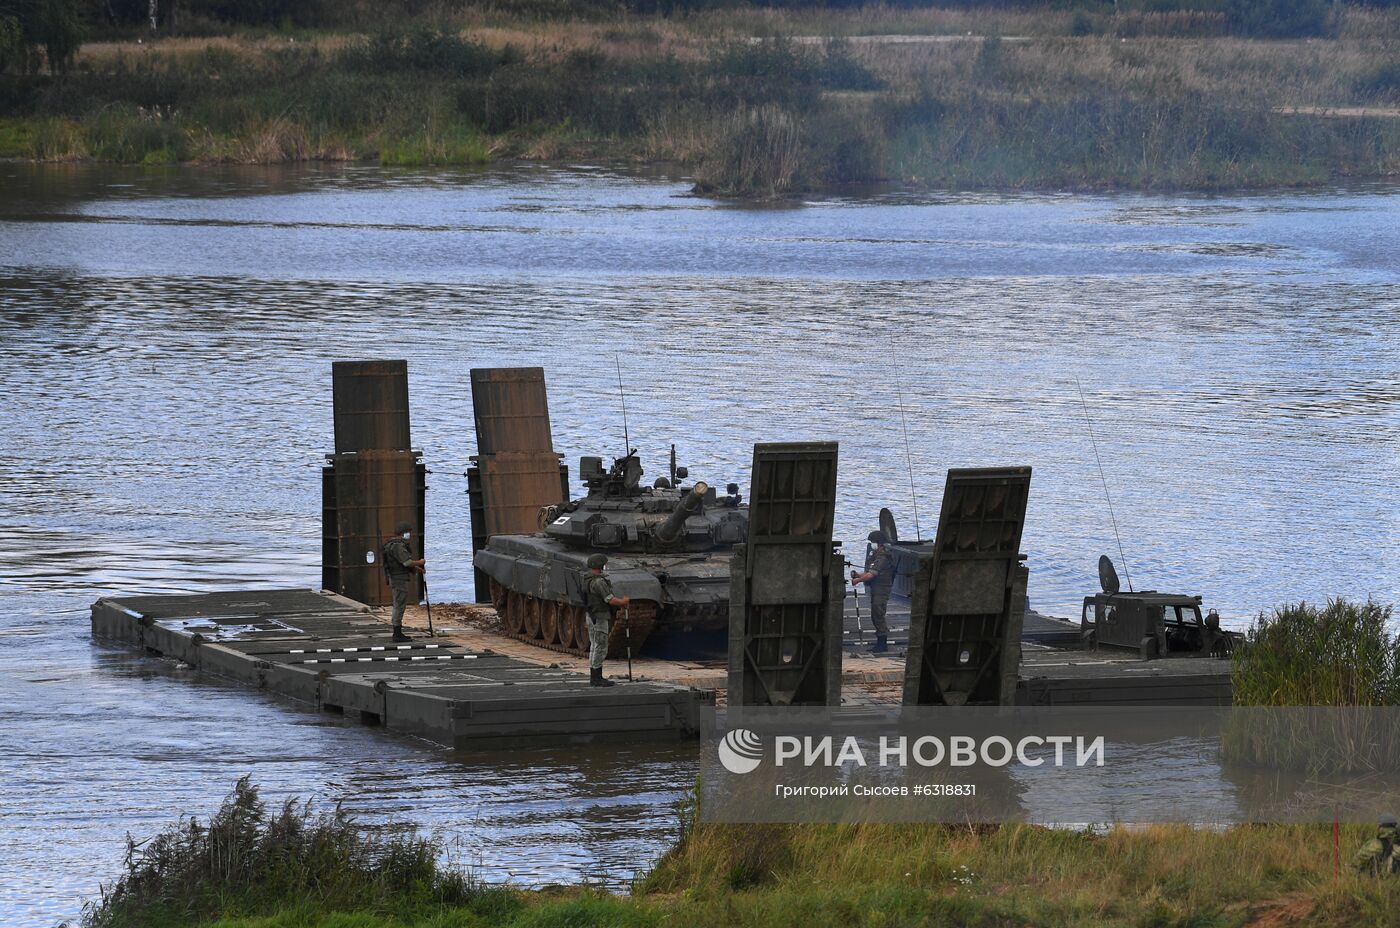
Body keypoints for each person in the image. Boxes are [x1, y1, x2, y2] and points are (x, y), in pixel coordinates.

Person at [584, 553, 630, 687]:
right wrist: (623, 602)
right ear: (600, 566)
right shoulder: (599, 582)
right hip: (599, 616)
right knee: (601, 646)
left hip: (591, 615)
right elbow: (609, 599)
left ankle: (595, 677)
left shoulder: (588, 578)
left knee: (594, 646)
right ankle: (596, 679)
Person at [381, 520, 425, 643]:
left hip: (395, 577)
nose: (409, 535)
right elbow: (407, 562)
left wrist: (417, 568)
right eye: (408, 532)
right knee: (399, 606)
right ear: (403, 533)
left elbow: (401, 563)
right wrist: (420, 562)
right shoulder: (398, 546)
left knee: (398, 604)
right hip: (399, 579)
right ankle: (397, 634)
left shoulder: (391, 544)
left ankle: (398, 632)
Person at [850, 530, 893, 653]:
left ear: (878, 543)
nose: (871, 544)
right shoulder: (877, 555)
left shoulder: (883, 557)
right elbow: (869, 572)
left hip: (882, 590)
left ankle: (882, 644)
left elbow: (870, 575)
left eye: (872, 542)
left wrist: (857, 580)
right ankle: (880, 643)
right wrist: (858, 574)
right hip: (877, 589)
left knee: (878, 615)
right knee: (875, 615)